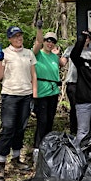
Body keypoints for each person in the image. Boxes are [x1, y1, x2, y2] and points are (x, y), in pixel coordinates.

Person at [0, 25, 37, 181]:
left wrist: (34, 95)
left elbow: (33, 75)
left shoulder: (28, 53)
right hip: (10, 95)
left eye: (20, 35)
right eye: (15, 36)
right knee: (8, 128)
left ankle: (16, 159)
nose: (19, 38)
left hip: (25, 95)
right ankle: (1, 163)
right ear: (9, 39)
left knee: (21, 128)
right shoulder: (4, 53)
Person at [32, 26, 63, 161]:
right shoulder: (37, 54)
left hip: (53, 92)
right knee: (42, 121)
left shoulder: (54, 57)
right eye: (48, 40)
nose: (50, 43)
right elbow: (37, 43)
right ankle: (37, 149)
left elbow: (62, 63)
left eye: (52, 41)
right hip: (41, 92)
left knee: (50, 120)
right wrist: (39, 29)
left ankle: (47, 147)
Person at [61, 33, 91, 134]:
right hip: (73, 83)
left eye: (87, 38)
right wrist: (57, 55)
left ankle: (84, 131)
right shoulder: (70, 49)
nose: (85, 40)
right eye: (82, 38)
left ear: (89, 40)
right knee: (75, 108)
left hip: (86, 85)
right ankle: (73, 131)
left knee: (85, 109)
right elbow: (62, 63)